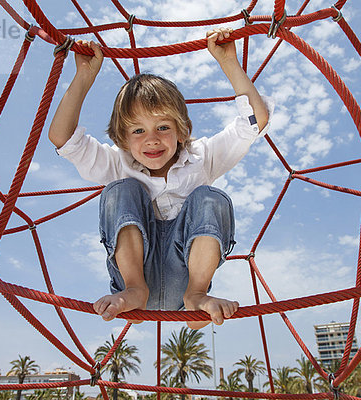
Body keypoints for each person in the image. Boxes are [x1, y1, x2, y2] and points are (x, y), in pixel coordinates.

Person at [48, 28, 270, 329]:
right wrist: (84, 77)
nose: (151, 140)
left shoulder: (203, 157)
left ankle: (197, 294)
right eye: (138, 131)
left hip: (186, 279)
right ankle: (135, 288)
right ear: (123, 139)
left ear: (181, 130)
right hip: (135, 276)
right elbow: (62, 138)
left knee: (210, 196)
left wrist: (228, 62)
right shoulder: (118, 162)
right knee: (122, 189)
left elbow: (255, 121)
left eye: (163, 127)